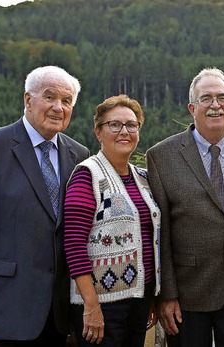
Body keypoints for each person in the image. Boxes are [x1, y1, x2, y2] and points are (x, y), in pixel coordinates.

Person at [0, 65, 90, 346]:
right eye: (49, 97)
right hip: (8, 304)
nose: (58, 107)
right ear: (28, 100)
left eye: (66, 101)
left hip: (61, 310)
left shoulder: (79, 154)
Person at [146, 67, 224, 347]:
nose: (215, 105)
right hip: (187, 294)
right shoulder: (162, 155)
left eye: (222, 98)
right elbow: (159, 232)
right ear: (192, 107)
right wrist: (167, 294)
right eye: (206, 98)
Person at [63, 94, 161, 346]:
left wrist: (149, 297)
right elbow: (73, 244)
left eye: (131, 125)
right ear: (98, 131)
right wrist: (91, 305)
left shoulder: (144, 179)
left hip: (138, 299)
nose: (124, 131)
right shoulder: (88, 175)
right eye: (114, 125)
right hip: (102, 305)